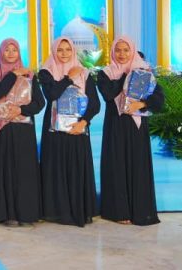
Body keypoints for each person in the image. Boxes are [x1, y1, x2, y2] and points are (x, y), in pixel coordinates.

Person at [97, 36, 164, 226]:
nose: (122, 54)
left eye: (126, 50)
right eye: (118, 50)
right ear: (112, 52)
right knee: (116, 165)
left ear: (132, 51)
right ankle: (119, 211)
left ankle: (140, 211)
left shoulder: (144, 71)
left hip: (137, 126)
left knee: (138, 165)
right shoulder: (106, 73)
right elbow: (108, 94)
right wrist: (127, 75)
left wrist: (141, 104)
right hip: (116, 125)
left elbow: (159, 99)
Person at [38, 37, 100, 227]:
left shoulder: (84, 73)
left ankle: (78, 209)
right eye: (60, 50)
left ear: (73, 51)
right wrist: (68, 78)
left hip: (77, 129)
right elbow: (52, 95)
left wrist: (83, 123)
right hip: (54, 130)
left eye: (67, 49)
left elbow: (95, 103)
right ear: (54, 51)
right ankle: (57, 212)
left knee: (76, 167)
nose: (64, 53)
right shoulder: (46, 72)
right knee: (55, 168)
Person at [0, 38, 45, 227]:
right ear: (1, 53)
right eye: (7, 50)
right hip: (2, 129)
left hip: (23, 129)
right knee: (5, 170)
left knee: (24, 171)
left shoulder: (30, 76)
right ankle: (7, 214)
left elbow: (40, 103)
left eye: (14, 50)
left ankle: (26, 214)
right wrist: (13, 74)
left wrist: (21, 110)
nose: (11, 53)